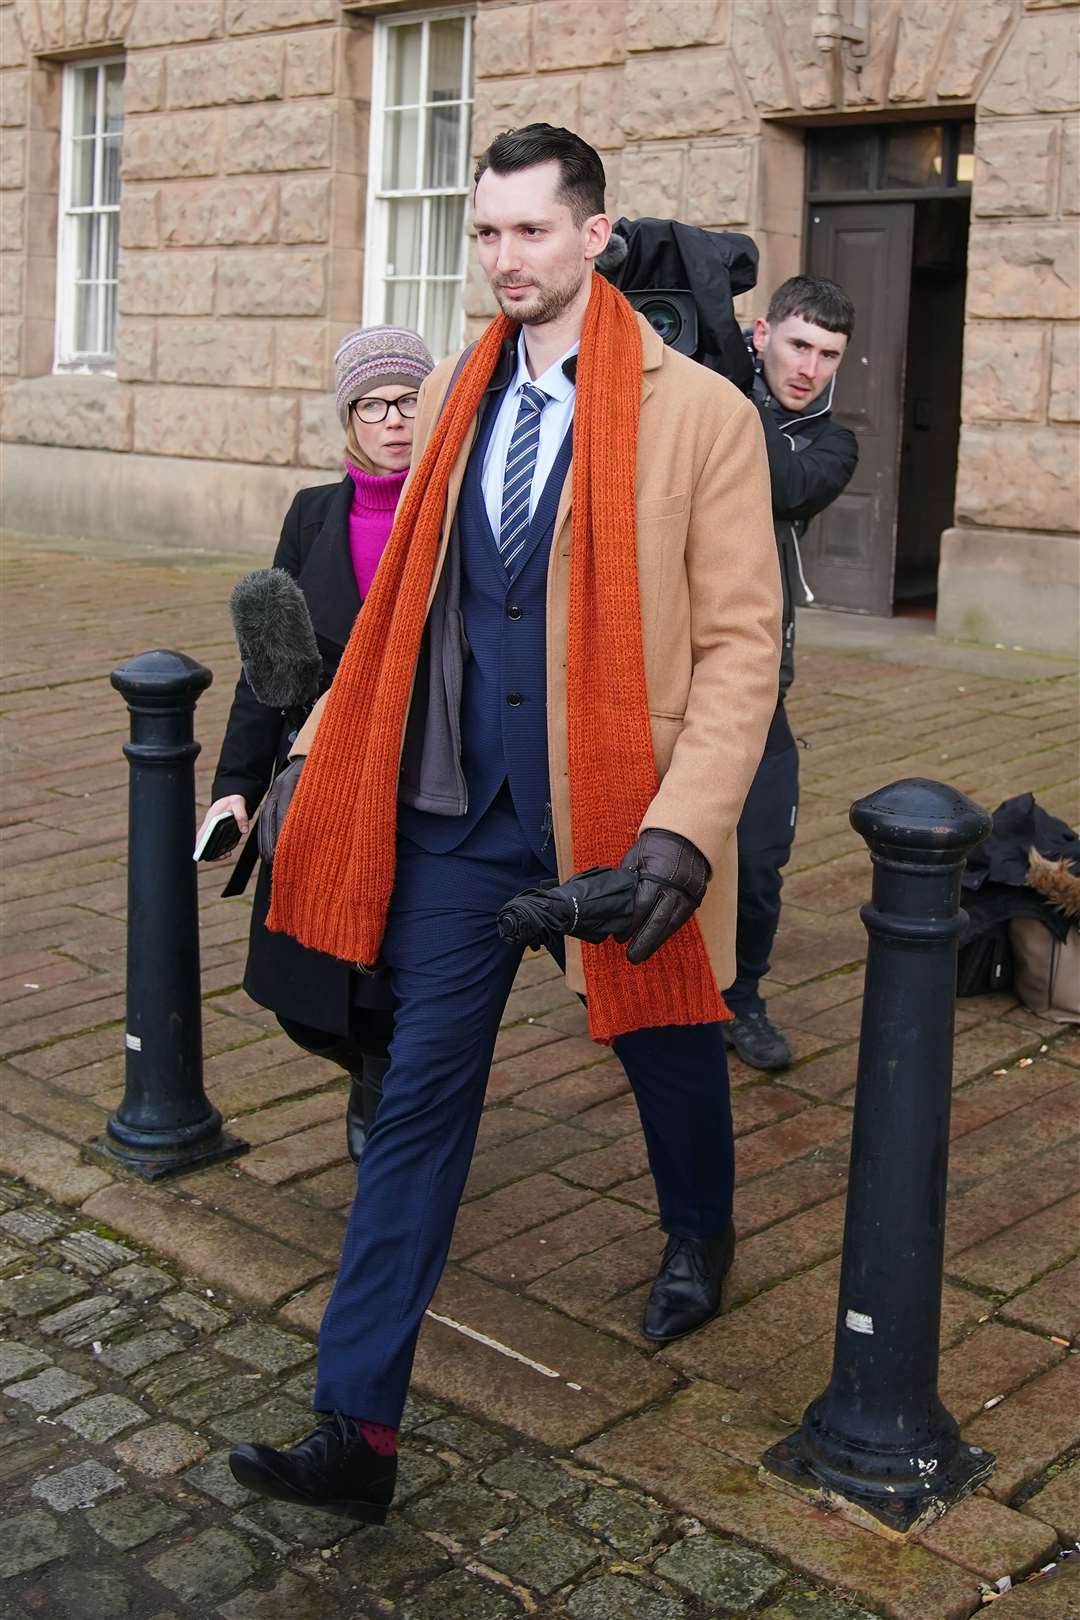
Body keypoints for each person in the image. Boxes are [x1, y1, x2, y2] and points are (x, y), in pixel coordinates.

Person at [228, 123, 781, 1526]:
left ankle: (699, 1233)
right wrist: (304, 750)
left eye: (531, 231)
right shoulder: (461, 393)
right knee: (413, 1108)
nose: (504, 259)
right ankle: (358, 1432)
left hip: (623, 808)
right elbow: (411, 611)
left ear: (596, 234)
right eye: (485, 234)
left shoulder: (700, 412)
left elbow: (741, 643)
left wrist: (687, 827)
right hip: (463, 811)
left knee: (671, 1054)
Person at [196, 325, 434, 1161]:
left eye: (409, 399)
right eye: (374, 404)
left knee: (389, 972)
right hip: (316, 772)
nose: (394, 419)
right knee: (295, 991)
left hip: (425, 775)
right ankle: (375, 1065)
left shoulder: (456, 507)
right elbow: (270, 661)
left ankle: (389, 1080)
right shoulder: (313, 514)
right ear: (350, 419)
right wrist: (235, 783)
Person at [723, 276, 859, 1071]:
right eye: (798, 344)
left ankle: (740, 999)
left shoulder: (829, 442)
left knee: (759, 850)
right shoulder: (704, 384)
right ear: (764, 330)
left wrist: (727, 385)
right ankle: (635, 990)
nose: (809, 368)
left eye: (828, 355)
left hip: (754, 676)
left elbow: (784, 484)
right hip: (661, 663)